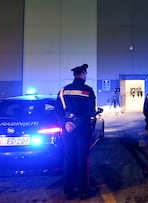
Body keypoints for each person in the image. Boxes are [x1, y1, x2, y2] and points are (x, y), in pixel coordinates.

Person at [55, 64, 96, 200]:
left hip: (67, 131)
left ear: (74, 75)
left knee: (68, 158)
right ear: (83, 74)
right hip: (82, 130)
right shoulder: (88, 91)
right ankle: (83, 191)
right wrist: (76, 123)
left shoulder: (63, 91)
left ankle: (68, 191)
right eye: (85, 74)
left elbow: (58, 111)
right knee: (82, 159)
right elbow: (90, 112)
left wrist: (65, 123)